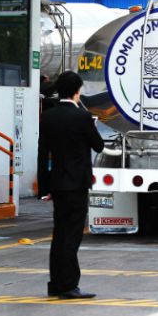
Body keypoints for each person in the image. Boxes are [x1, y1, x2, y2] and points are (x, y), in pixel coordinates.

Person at [37, 71, 104, 299]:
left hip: (57, 183)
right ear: (77, 91)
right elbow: (99, 145)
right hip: (77, 184)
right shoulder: (82, 117)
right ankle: (69, 285)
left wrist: (44, 187)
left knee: (59, 234)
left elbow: (41, 153)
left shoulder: (48, 116)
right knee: (72, 236)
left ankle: (55, 283)